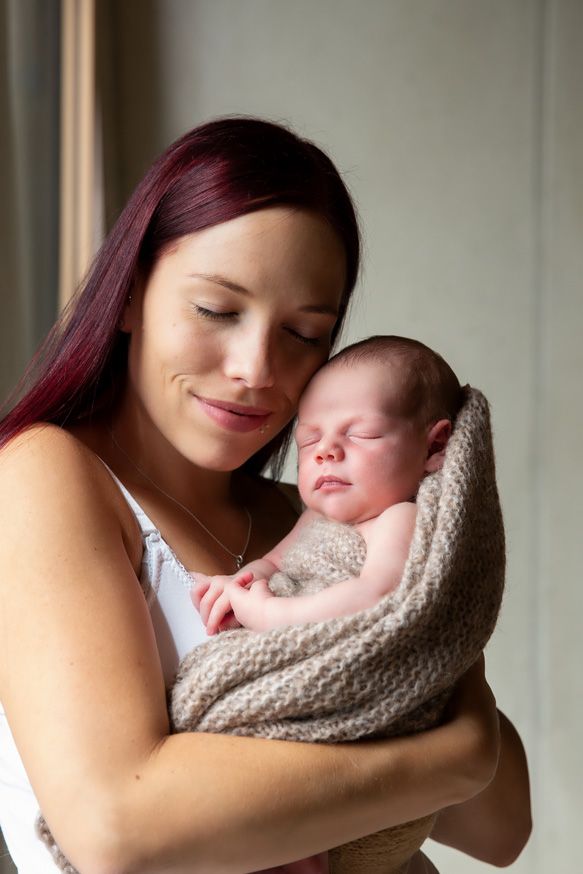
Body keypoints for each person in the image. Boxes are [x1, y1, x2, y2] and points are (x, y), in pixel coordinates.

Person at [0, 117, 531, 874]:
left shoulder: (313, 522)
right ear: (129, 295)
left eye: (304, 333)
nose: (255, 368)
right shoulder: (46, 475)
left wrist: (429, 605)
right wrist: (457, 755)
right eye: (217, 310)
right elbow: (119, 830)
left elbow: (500, 828)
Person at [194, 335, 461, 637]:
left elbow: (378, 596)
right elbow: (273, 563)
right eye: (309, 440)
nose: (324, 451)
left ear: (434, 447)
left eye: (362, 434)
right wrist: (238, 588)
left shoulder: (400, 518)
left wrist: (270, 614)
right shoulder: (315, 517)